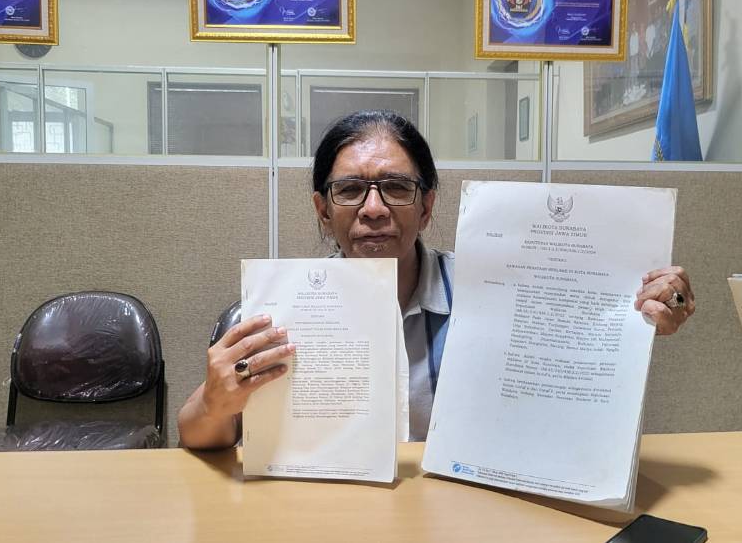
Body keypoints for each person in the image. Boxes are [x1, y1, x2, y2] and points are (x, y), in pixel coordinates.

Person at [177, 110, 697, 449]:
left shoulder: (491, 289)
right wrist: (216, 402)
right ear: (323, 210)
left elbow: (576, 340)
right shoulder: (282, 305)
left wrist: (641, 309)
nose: (374, 209)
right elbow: (195, 434)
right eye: (351, 189)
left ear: (426, 207)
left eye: (397, 187)